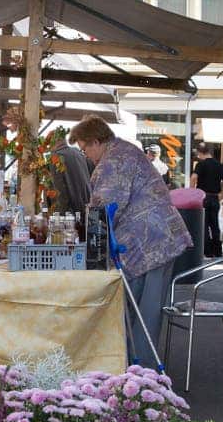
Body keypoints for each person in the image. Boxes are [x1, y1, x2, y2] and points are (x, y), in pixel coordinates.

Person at [70, 115, 190, 366]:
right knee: (143, 309)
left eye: (85, 149)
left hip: (149, 242)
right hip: (155, 239)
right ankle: (135, 367)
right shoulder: (123, 150)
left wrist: (85, 240)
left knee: (143, 312)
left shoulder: (113, 161)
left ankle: (141, 373)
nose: (86, 156)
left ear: (95, 141)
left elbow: (104, 208)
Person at [190, 143, 223, 258]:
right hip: (215, 197)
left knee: (204, 225)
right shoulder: (218, 164)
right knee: (215, 225)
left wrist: (193, 192)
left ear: (200, 153)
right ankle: (217, 251)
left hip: (203, 197)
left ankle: (207, 251)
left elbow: (193, 178)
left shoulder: (200, 164)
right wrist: (222, 192)